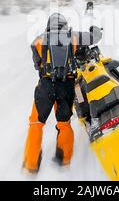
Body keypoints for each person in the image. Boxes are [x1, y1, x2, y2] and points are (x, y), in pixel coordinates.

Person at [23, 13, 101, 173]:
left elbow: (37, 65)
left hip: (45, 86)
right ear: (64, 25)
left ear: (48, 26)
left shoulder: (38, 40)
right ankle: (64, 159)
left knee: (36, 123)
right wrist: (95, 30)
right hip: (66, 85)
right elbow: (95, 37)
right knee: (64, 123)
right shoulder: (73, 36)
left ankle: (31, 164)